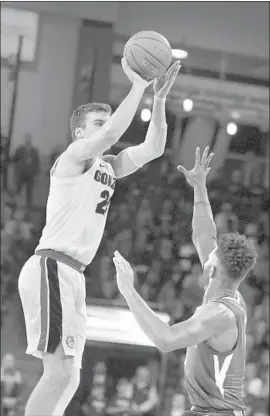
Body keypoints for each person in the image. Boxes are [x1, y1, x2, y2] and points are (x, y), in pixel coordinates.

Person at [18, 57, 181, 416]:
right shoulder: (72, 157)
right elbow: (110, 137)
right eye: (98, 123)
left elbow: (153, 148)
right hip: (52, 266)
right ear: (79, 133)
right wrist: (137, 85)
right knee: (58, 373)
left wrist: (158, 100)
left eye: (108, 122)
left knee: (71, 377)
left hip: (74, 274)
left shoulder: (108, 165)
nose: (107, 128)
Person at [113, 146, 257, 416]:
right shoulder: (226, 291)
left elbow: (166, 340)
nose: (204, 254)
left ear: (212, 271)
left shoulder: (219, 314)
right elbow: (204, 235)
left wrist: (129, 291)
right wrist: (199, 187)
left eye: (209, 259)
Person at [12, 133, 40, 207]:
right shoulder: (20, 149)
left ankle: (28, 205)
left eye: (29, 139)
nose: (28, 140)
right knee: (18, 189)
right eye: (27, 138)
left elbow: (37, 162)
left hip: (30, 174)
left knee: (29, 191)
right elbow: (14, 159)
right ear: (25, 140)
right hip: (21, 173)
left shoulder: (34, 151)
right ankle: (14, 204)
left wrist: (36, 171)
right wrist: (17, 168)